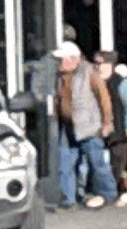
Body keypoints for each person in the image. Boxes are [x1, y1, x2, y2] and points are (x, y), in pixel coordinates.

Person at [49, 39, 114, 210]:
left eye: (61, 59)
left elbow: (104, 97)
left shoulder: (89, 72)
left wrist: (107, 122)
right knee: (65, 164)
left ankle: (108, 194)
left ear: (72, 59)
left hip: (89, 127)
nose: (58, 63)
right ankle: (68, 199)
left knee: (97, 163)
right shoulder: (59, 76)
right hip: (68, 126)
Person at [97, 48, 127, 195]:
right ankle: (104, 192)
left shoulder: (120, 83)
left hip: (118, 131)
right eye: (96, 64)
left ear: (109, 64)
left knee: (118, 162)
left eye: (101, 63)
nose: (97, 67)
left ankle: (115, 193)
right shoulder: (94, 82)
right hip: (97, 130)